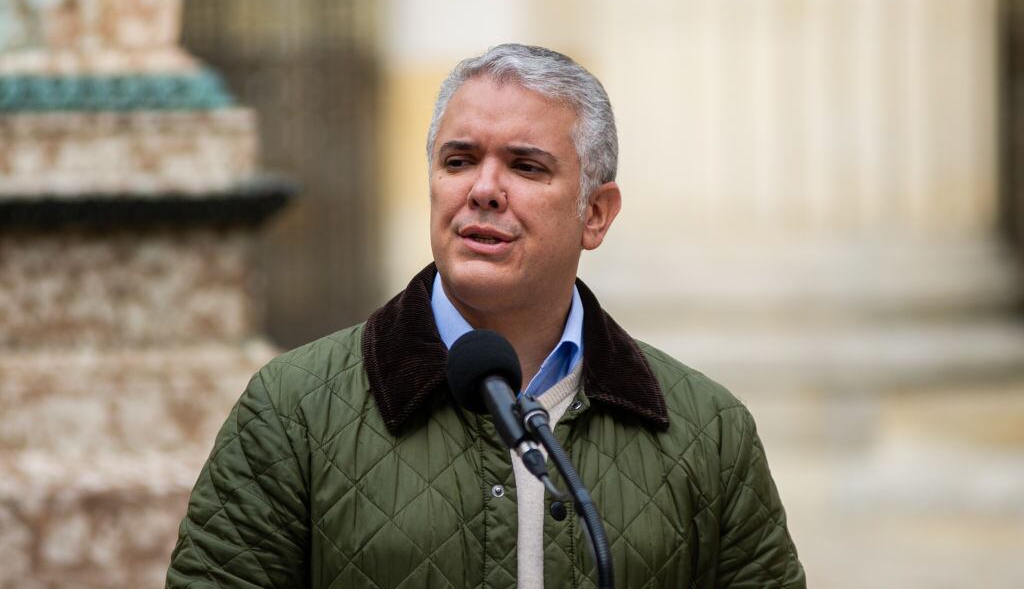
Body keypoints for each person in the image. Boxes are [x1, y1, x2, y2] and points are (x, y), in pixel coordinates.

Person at [165, 43, 805, 588]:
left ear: (595, 214)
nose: (483, 189)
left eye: (526, 166)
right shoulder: (293, 410)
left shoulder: (708, 433)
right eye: (459, 160)